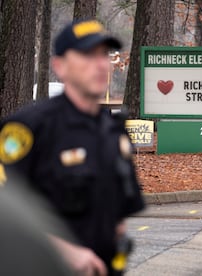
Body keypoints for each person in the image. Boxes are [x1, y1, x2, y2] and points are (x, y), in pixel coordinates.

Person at [0, 19, 145, 276]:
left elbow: (118, 212)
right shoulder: (28, 129)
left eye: (104, 55)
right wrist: (64, 251)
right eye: (88, 55)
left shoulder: (114, 130)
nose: (100, 65)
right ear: (60, 66)